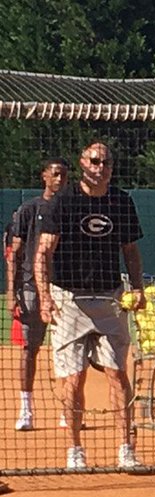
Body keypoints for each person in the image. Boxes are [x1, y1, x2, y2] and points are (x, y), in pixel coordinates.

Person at [34, 142, 146, 472]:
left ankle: (126, 449)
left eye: (107, 162)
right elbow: (43, 253)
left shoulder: (121, 201)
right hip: (68, 300)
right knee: (74, 379)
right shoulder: (63, 203)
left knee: (117, 375)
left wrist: (137, 288)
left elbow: (131, 252)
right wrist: (44, 296)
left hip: (110, 299)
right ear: (82, 164)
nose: (101, 167)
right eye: (95, 161)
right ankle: (75, 451)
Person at [7, 158, 69, 431]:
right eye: (55, 174)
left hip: (66, 289)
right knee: (30, 350)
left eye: (64, 175)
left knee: (68, 351)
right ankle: (26, 410)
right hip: (32, 288)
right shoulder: (29, 209)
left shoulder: (72, 208)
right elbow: (13, 254)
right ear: (44, 176)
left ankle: (70, 410)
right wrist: (12, 292)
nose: (60, 179)